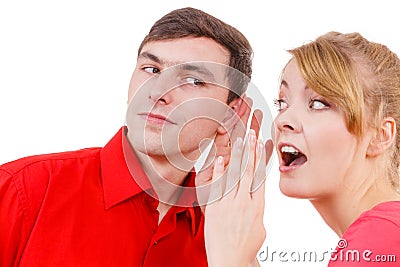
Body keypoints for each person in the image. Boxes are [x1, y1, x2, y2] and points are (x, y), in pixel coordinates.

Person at [0, 7, 271, 267]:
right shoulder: (23, 189)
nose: (157, 92)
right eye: (151, 70)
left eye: (192, 80)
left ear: (229, 111)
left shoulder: (226, 231)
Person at [205, 31, 400, 266]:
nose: (281, 120)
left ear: (380, 135)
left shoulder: (380, 238)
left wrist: (228, 258)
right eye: (282, 103)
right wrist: (236, 245)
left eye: (318, 103)